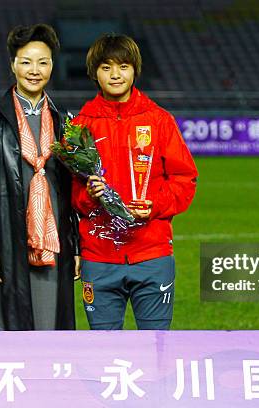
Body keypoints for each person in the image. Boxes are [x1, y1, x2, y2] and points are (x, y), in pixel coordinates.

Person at [71, 33, 198, 330]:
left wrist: (154, 206)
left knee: (157, 348)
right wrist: (90, 195)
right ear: (94, 72)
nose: (115, 75)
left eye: (123, 66)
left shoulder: (159, 121)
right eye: (106, 67)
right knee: (105, 352)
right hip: (99, 256)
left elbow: (185, 179)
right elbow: (70, 195)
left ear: (135, 69)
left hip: (151, 254)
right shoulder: (80, 127)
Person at [0, 24, 78, 330]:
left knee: (51, 321)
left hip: (54, 239)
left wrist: (78, 247)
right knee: (10, 329)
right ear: (13, 65)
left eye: (43, 62)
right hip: (8, 237)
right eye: (26, 61)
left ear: (52, 66)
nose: (35, 70)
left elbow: (73, 190)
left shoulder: (64, 120)